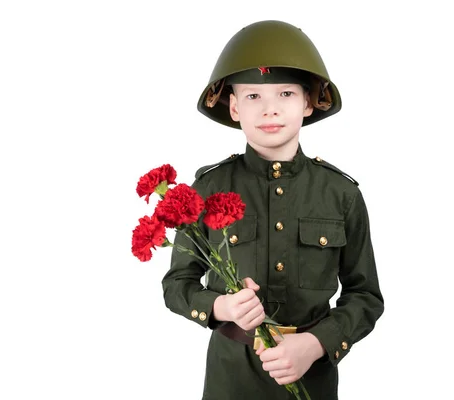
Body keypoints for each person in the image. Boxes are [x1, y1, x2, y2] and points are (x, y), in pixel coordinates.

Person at [161, 20, 384, 399]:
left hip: (313, 379)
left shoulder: (340, 193)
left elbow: (365, 296)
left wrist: (315, 344)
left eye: (285, 94)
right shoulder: (209, 188)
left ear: (307, 102)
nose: (270, 110)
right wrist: (220, 306)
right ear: (233, 106)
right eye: (252, 97)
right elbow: (176, 285)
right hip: (230, 378)